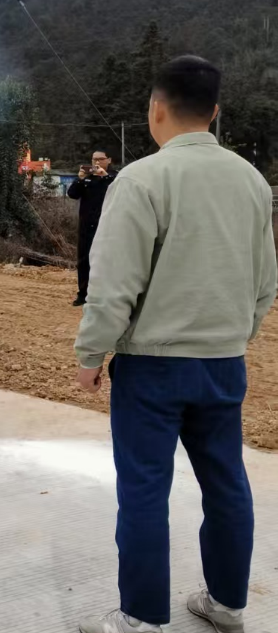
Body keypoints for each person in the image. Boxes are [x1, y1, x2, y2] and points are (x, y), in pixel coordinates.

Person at [74, 56, 276, 633]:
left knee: (144, 489)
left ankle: (141, 618)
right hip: (223, 363)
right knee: (227, 483)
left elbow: (113, 284)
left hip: (152, 368)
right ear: (215, 112)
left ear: (155, 109)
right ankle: (228, 605)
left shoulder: (142, 179)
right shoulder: (251, 180)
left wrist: (91, 354)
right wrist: (235, 333)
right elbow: (266, 281)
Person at [67, 150, 117, 306]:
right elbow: (72, 194)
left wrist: (105, 177)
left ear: (109, 160)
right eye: (94, 159)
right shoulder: (87, 178)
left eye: (101, 159)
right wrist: (80, 179)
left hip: (108, 225)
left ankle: (107, 294)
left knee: (108, 260)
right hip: (87, 225)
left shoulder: (115, 177)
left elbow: (120, 191)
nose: (97, 162)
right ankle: (83, 294)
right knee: (84, 259)